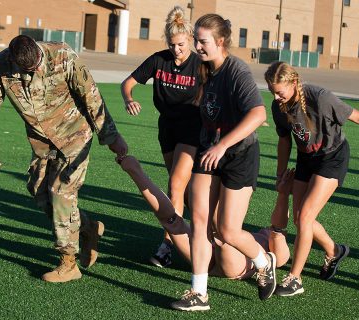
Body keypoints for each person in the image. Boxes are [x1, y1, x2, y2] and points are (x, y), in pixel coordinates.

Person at [0, 35, 128, 283]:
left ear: (38, 50)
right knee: (39, 192)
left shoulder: (62, 56)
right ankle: (88, 229)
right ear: (13, 60)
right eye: (27, 70)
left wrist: (110, 136)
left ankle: (68, 262)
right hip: (42, 142)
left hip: (75, 134)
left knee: (60, 193)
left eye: (36, 66)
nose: (34, 72)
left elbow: (91, 96)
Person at [264, 61, 359, 297]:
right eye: (272, 91)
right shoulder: (278, 106)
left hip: (332, 158)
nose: (276, 97)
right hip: (307, 159)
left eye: (279, 91)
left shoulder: (320, 98)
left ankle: (295, 278)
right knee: (299, 218)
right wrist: (280, 174)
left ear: (293, 83)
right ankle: (334, 251)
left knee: (305, 216)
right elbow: (285, 140)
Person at [169, 14, 274, 312]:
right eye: (196, 41)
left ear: (221, 42)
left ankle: (264, 262)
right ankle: (199, 293)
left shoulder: (237, 70)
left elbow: (258, 115)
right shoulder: (203, 68)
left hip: (239, 155)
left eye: (203, 41)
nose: (197, 46)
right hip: (209, 151)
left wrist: (224, 143)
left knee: (227, 231)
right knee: (200, 223)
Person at [117, 155, 291, 292]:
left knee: (218, 230)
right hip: (212, 257)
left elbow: (278, 230)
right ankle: (136, 173)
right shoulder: (262, 235)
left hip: (238, 264)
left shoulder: (271, 242)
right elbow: (276, 228)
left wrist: (283, 195)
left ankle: (137, 173)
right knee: (171, 222)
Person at [121, 6, 202, 268]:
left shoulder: (201, 64)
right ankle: (202, 229)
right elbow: (128, 83)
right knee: (182, 191)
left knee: (175, 187)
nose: (176, 49)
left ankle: (168, 244)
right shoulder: (159, 60)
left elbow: (221, 91)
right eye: (172, 44)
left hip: (192, 129)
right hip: (167, 128)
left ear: (189, 39)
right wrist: (129, 99)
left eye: (180, 44)